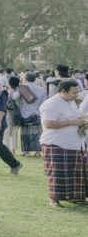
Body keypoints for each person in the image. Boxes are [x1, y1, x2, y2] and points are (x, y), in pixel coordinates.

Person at [38, 79, 88, 208]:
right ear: (63, 92)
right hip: (56, 143)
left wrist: (82, 122)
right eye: (74, 92)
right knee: (57, 173)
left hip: (74, 143)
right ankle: (54, 200)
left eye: (78, 92)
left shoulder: (71, 102)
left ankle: (75, 197)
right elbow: (48, 124)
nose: (76, 95)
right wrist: (74, 123)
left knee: (76, 172)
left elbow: (75, 118)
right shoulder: (51, 104)